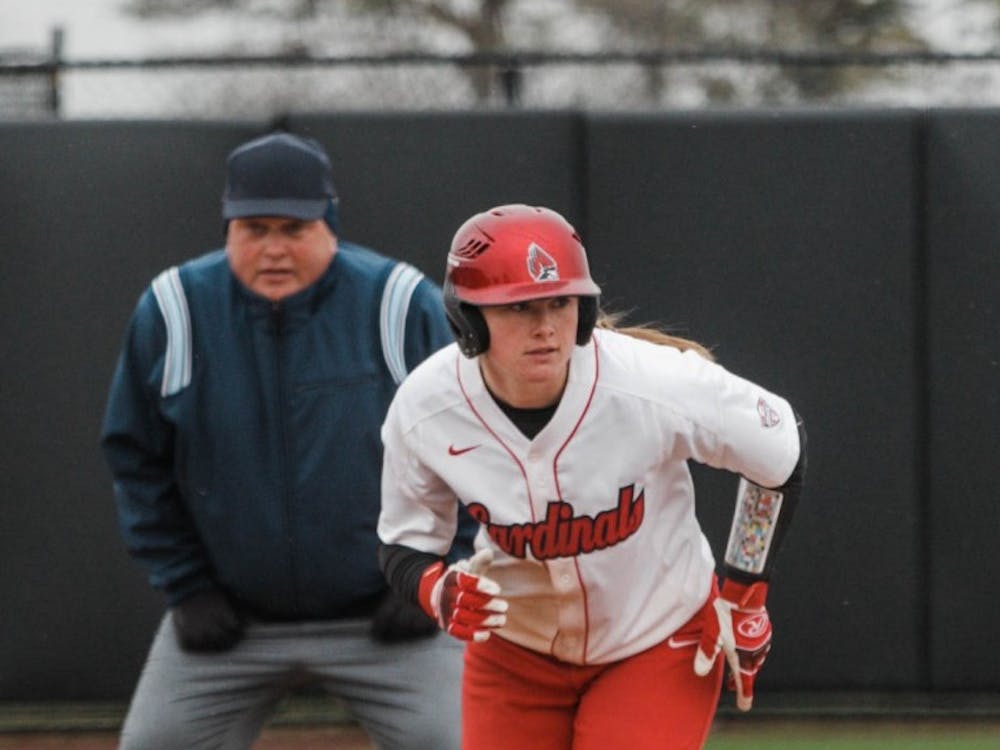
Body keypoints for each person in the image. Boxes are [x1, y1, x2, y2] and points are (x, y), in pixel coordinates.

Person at [377, 204, 807, 749]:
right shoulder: (426, 406)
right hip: (513, 653)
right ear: (468, 319)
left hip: (656, 637)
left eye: (560, 302)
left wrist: (744, 591)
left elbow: (779, 451)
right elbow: (404, 543)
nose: (544, 327)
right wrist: (436, 591)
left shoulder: (649, 382)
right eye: (518, 306)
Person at [101, 131, 476, 750]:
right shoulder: (174, 310)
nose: (273, 249)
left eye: (292, 229)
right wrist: (186, 586)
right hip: (235, 619)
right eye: (254, 229)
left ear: (328, 223)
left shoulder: (397, 302)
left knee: (463, 742)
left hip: (386, 613)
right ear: (228, 228)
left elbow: (471, 444)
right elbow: (137, 458)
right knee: (153, 744)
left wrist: (438, 571)